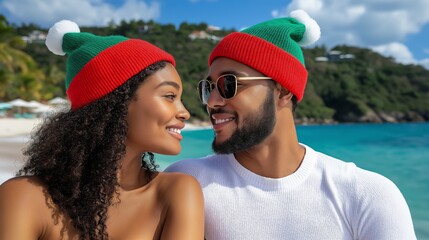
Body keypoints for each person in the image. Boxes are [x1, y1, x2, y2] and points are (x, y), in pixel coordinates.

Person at [165, 9, 416, 239]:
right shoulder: (187, 182)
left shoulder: (367, 195)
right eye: (208, 88)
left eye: (228, 84)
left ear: (283, 91)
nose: (213, 102)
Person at [0, 20, 204, 240]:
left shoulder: (177, 192)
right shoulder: (25, 197)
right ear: (116, 103)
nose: (184, 112)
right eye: (170, 96)